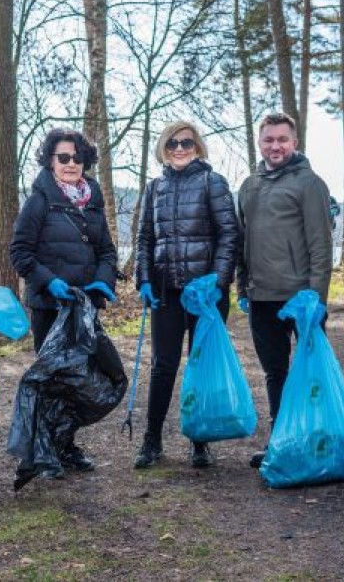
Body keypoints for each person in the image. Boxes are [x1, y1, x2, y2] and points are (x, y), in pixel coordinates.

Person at [9, 128, 118, 478]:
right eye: (63, 157)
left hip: (82, 307)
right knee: (51, 379)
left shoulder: (94, 202)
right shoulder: (39, 200)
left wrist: (103, 280)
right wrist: (49, 282)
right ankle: (42, 454)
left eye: (77, 157)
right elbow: (20, 253)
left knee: (80, 379)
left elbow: (106, 251)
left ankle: (66, 446)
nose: (71, 163)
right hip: (50, 307)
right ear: (51, 161)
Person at [133, 120, 239, 469]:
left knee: (201, 365)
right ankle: (152, 440)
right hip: (166, 291)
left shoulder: (213, 183)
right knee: (163, 365)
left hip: (205, 296)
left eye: (187, 143)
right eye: (173, 143)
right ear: (163, 148)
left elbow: (229, 235)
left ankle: (200, 439)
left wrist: (218, 281)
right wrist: (143, 279)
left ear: (198, 147)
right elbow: (145, 239)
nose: (180, 149)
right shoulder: (154, 188)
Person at [235, 112, 333, 470]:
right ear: (260, 143)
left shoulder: (310, 184)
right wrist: (242, 285)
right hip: (262, 298)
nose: (275, 146)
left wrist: (316, 297)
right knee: (275, 373)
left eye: (282, 139)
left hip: (301, 299)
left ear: (294, 142)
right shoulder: (248, 186)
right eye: (268, 140)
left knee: (311, 373)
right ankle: (281, 442)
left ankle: (320, 439)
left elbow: (321, 246)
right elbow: (240, 242)